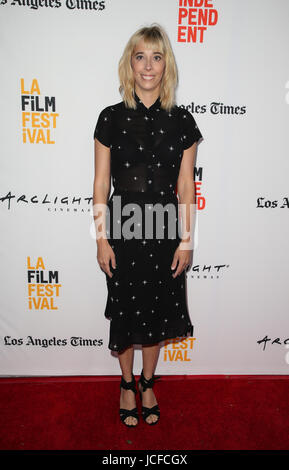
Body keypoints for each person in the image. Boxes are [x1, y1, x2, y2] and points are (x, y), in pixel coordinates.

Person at [93, 23, 203, 427]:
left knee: (157, 313)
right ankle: (126, 384)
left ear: (166, 65)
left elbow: (187, 188)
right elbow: (101, 184)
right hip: (123, 229)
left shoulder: (184, 122)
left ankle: (148, 381)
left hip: (164, 231)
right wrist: (102, 239)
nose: (148, 66)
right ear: (130, 63)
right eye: (140, 56)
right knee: (125, 313)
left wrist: (186, 241)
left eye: (157, 57)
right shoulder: (109, 118)